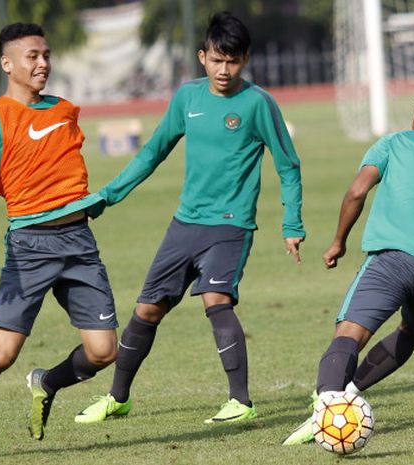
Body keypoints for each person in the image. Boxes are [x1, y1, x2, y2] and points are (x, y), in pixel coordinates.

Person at [74, 11, 305, 425]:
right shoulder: (187, 98)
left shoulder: (257, 103)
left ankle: (241, 402)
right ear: (202, 57)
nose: (224, 69)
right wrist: (109, 195)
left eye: (232, 61)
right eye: (217, 60)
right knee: (147, 310)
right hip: (185, 224)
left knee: (216, 299)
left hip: (231, 226)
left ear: (245, 60)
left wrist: (292, 225)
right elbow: (153, 151)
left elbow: (288, 166)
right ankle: (117, 398)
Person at [0, 23, 119, 450]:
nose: (43, 63)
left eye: (46, 55)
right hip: (29, 248)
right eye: (33, 56)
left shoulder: (65, 110)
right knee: (2, 355)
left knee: (104, 351)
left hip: (79, 242)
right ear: (7, 63)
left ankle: (46, 382)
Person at [282, 84, 414, 445]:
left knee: (348, 335)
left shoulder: (394, 143)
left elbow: (357, 192)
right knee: (410, 332)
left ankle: (328, 412)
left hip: (393, 260)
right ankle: (348, 394)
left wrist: (338, 242)